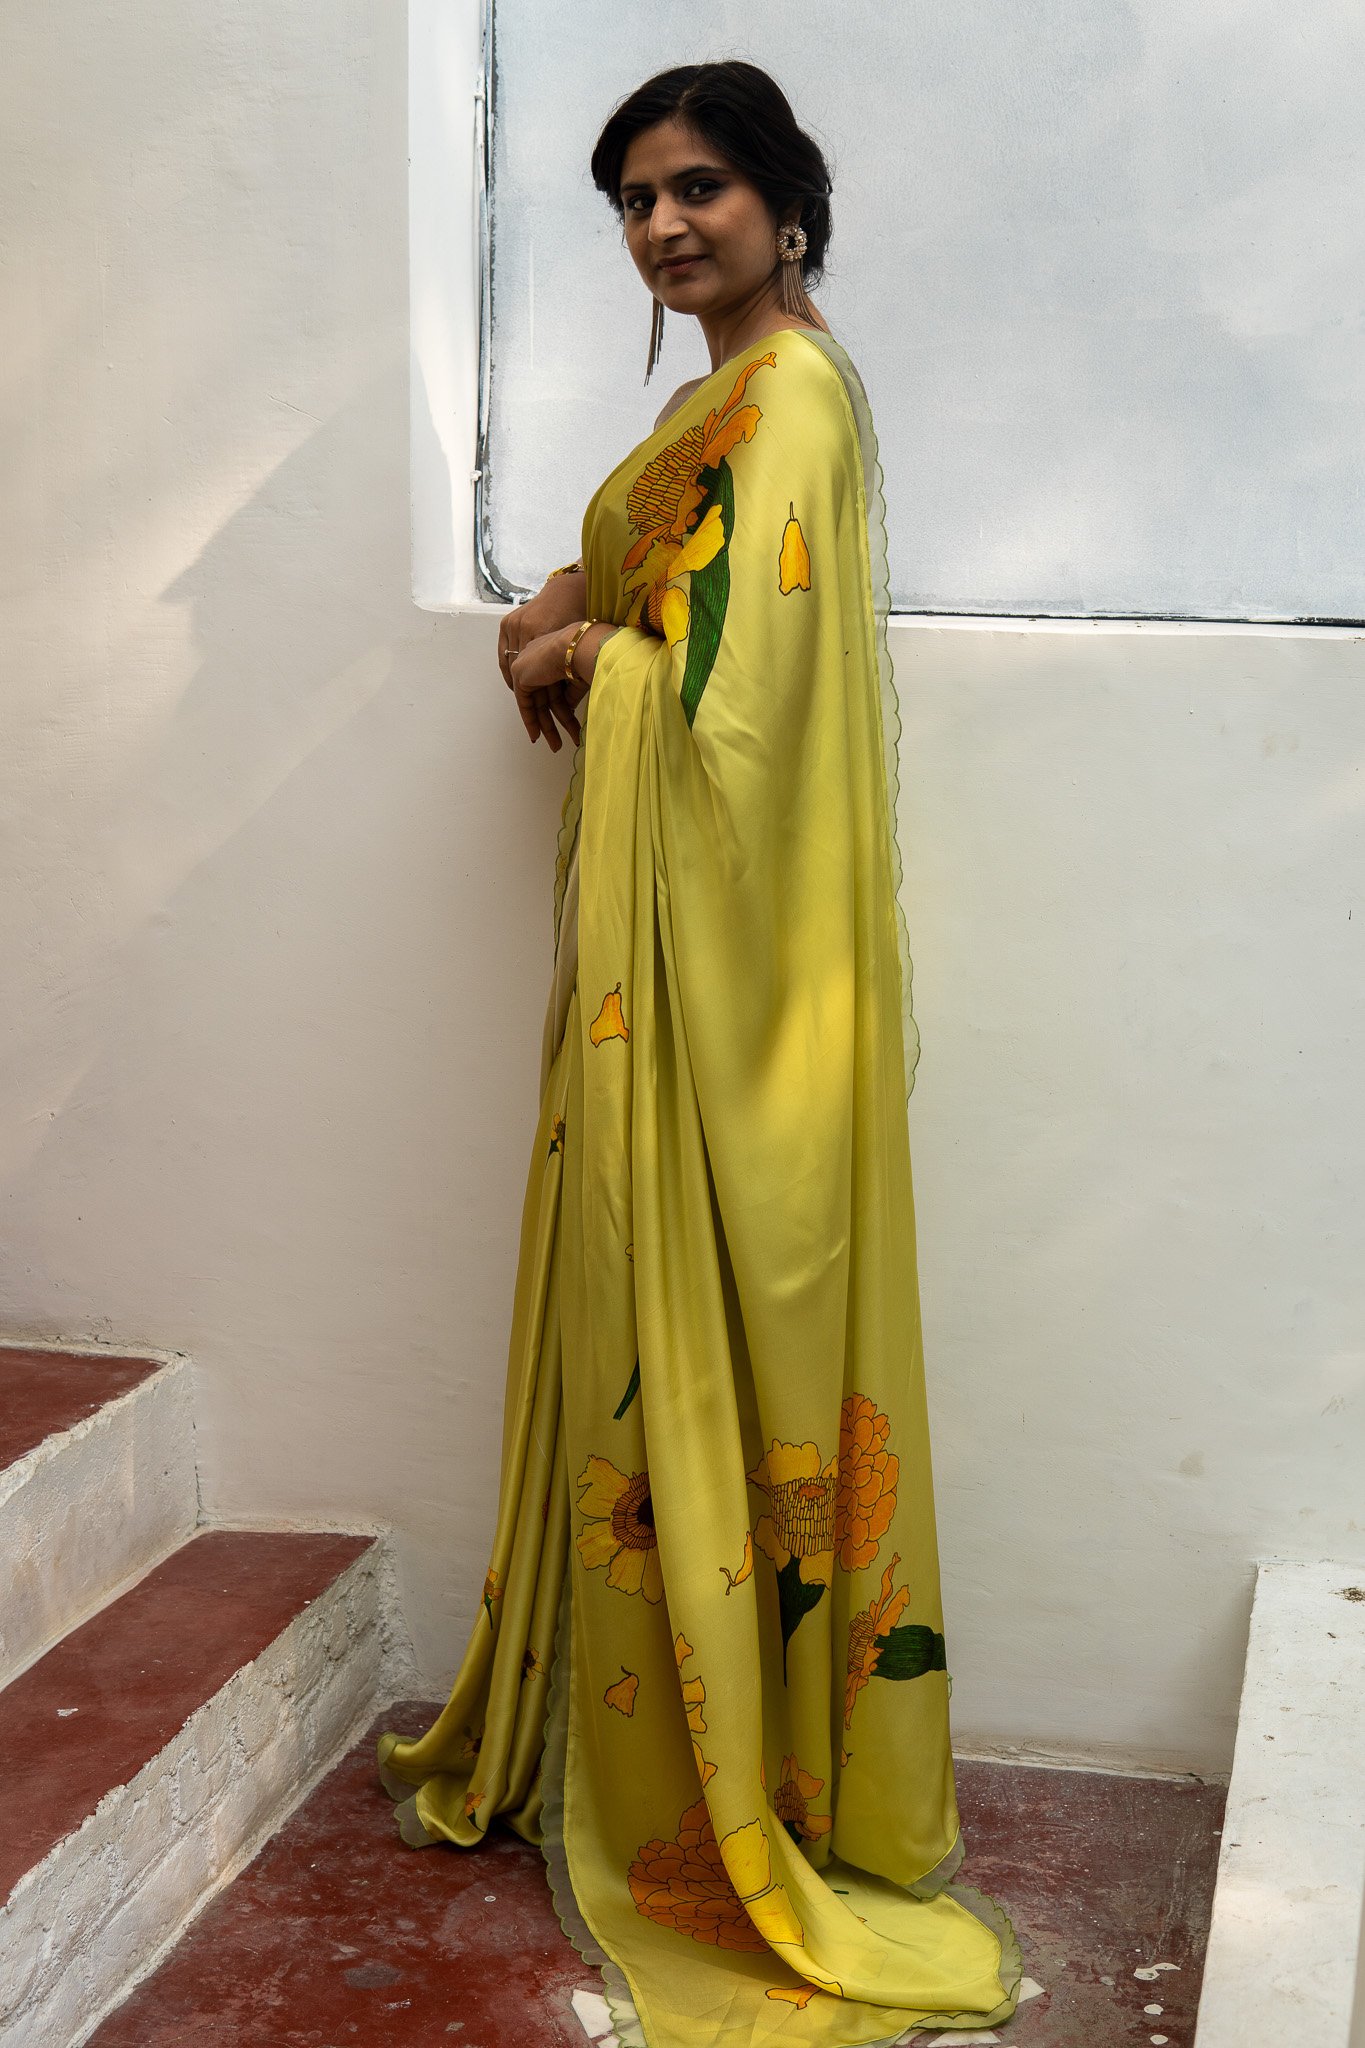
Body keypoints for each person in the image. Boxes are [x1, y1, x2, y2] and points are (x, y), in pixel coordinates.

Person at [378, 60, 1022, 2048]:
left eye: (698, 189)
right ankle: (673, 1737)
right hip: (641, 962)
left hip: (727, 979)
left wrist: (589, 657)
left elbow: (743, 702)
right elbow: (670, 571)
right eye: (633, 200)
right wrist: (571, 593)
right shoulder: (706, 407)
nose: (662, 226)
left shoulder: (794, 396)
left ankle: (749, 1784)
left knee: (717, 1325)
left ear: (784, 206)